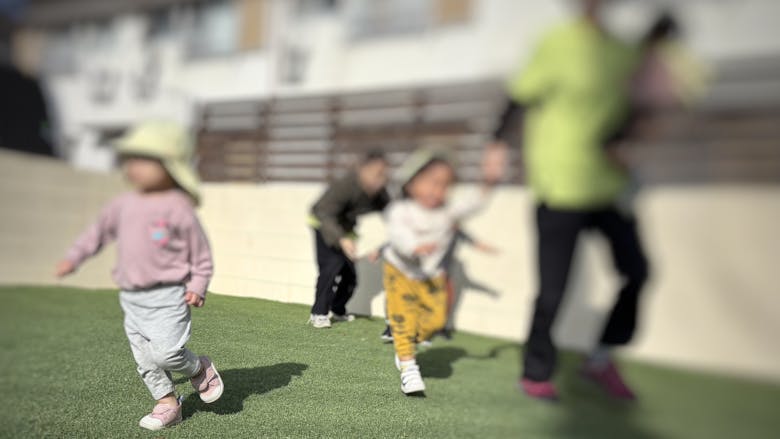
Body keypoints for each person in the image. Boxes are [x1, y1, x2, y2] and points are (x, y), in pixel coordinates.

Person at [491, 0, 649, 401]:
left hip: (606, 185)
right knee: (553, 291)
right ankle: (535, 372)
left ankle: (599, 358)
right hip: (558, 182)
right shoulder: (555, 42)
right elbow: (519, 95)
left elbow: (632, 108)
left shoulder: (623, 50)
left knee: (637, 270)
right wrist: (496, 143)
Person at [55, 121, 224, 430]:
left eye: (145, 159)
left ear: (170, 167)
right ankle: (167, 404)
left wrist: (198, 284)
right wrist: (74, 257)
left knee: (168, 354)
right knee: (145, 361)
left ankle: (198, 367)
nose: (134, 166)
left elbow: (201, 255)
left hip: (167, 295)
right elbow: (97, 233)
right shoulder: (122, 205)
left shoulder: (178, 208)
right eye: (131, 158)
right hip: (131, 297)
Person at [382, 148, 504, 395]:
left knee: (435, 321)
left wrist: (489, 181)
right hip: (401, 270)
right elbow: (399, 236)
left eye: (445, 185)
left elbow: (473, 203)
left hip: (432, 276)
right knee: (403, 319)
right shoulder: (400, 210)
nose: (437, 191)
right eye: (431, 183)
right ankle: (408, 367)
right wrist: (415, 246)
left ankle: (407, 345)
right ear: (411, 182)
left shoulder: (447, 212)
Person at [308, 151, 391, 328]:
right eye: (375, 173)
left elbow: (392, 215)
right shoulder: (345, 185)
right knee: (331, 266)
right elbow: (323, 213)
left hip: (346, 229)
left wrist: (379, 247)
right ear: (362, 170)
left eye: (383, 175)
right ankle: (319, 313)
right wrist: (341, 239)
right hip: (323, 223)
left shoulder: (379, 192)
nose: (379, 179)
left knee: (350, 276)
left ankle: (338, 310)